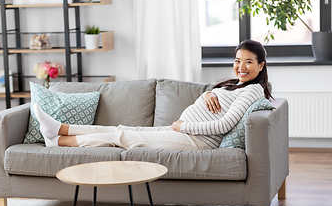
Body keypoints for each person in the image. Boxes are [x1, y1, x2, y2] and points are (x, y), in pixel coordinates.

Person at [34, 39, 272, 151]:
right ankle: (60, 128)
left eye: (248, 62)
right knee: (123, 128)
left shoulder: (253, 90)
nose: (241, 66)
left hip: (195, 141)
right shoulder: (239, 85)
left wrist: (184, 126)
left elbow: (224, 124)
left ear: (261, 66)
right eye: (237, 60)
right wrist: (210, 93)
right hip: (184, 133)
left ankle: (58, 141)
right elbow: (223, 104)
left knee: (122, 136)